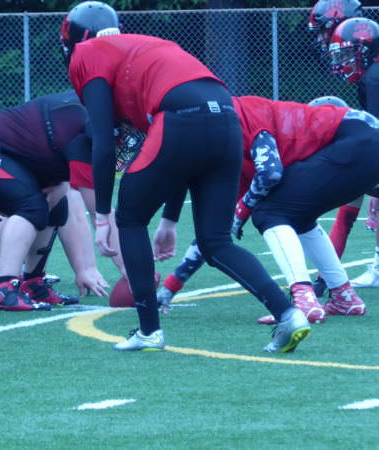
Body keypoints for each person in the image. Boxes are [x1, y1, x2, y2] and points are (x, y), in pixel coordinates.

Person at [62, 0, 310, 353]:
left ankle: (149, 330)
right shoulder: (153, 46)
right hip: (225, 118)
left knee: (129, 217)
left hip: (180, 119)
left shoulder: (87, 52)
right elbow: (180, 148)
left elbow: (102, 142)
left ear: (76, 37)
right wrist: (170, 219)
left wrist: (102, 215)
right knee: (216, 241)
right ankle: (288, 314)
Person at [157, 95, 373, 322]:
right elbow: (214, 236)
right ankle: (344, 297)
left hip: (358, 137)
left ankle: (304, 300)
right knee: (297, 215)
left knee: (270, 213)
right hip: (363, 139)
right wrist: (172, 285)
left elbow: (270, 173)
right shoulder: (225, 146)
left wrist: (243, 210)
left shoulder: (241, 116)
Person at [0, 91, 112, 308]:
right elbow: (98, 212)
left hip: (1, 153)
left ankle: (32, 283)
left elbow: (76, 209)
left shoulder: (79, 117)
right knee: (30, 205)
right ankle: (2, 284)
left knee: (55, 206)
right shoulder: (79, 131)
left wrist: (84, 269)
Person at [327, 16, 379, 288]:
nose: (343, 63)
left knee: (354, 192)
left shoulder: (374, 78)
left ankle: (327, 280)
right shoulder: (372, 75)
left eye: (348, 55)